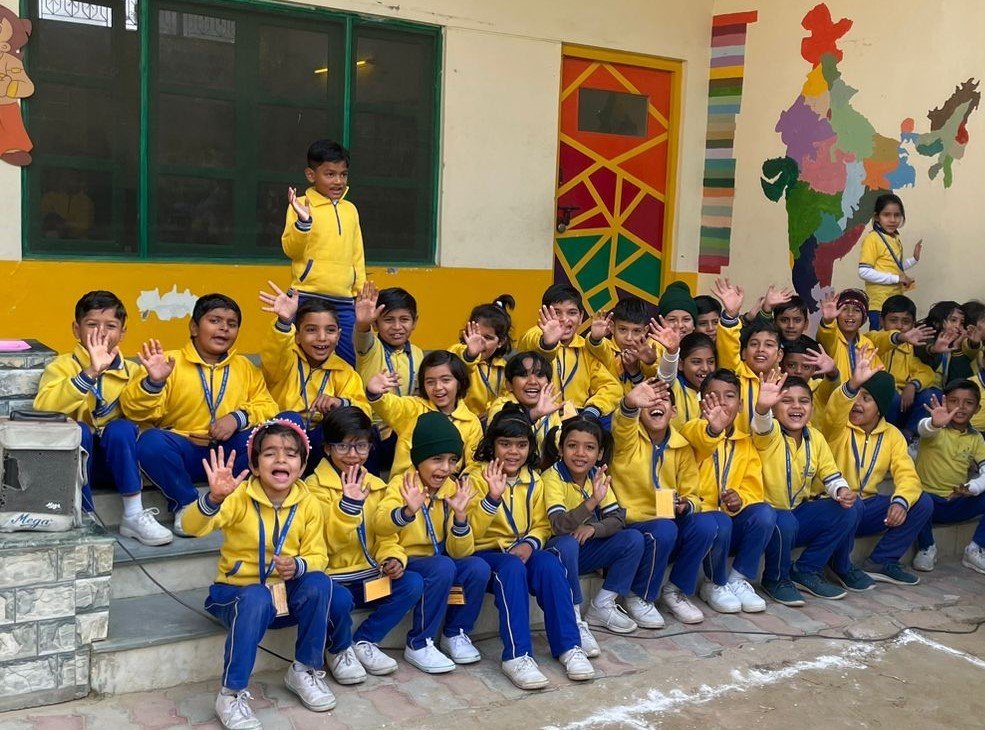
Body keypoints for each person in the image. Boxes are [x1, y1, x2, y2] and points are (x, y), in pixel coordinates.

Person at [184, 420, 339, 728]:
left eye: (291, 454)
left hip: (282, 594)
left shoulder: (309, 502)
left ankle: (304, 670)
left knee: (319, 582)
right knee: (255, 596)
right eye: (269, 453)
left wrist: (298, 565)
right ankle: (231, 693)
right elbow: (191, 527)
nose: (281, 459)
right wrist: (214, 499)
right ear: (254, 466)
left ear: (302, 466)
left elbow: (319, 555)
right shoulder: (238, 496)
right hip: (236, 594)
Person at [122, 294, 279, 534]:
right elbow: (134, 410)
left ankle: (236, 503)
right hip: (184, 452)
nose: (224, 328)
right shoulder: (168, 363)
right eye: (214, 321)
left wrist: (237, 418)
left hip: (227, 454)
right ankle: (187, 505)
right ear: (194, 327)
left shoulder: (245, 367)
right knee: (151, 442)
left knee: (266, 435)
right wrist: (154, 383)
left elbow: (268, 406)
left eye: (231, 324)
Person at [466, 406, 595, 687]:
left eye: (521, 445)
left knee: (549, 564)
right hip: (485, 556)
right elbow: (468, 534)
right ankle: (517, 655)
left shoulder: (534, 479)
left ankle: (569, 646)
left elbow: (542, 525)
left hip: (522, 550)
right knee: (512, 568)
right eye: (505, 444)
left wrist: (529, 544)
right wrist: (491, 499)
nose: (513, 452)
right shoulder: (475, 478)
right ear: (492, 445)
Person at [34, 291, 171, 545]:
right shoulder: (62, 366)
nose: (101, 332)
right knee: (78, 429)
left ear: (122, 332)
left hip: (118, 465)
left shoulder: (133, 370)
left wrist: (153, 383)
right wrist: (89, 374)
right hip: (73, 468)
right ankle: (85, 513)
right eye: (92, 324)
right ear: (76, 329)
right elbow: (44, 408)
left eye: (111, 326)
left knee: (121, 428)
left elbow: (148, 414)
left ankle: (133, 513)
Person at [305, 407, 424, 685]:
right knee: (340, 599)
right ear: (327, 448)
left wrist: (392, 558)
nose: (353, 454)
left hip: (368, 581)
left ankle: (365, 640)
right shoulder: (313, 488)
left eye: (360, 446)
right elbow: (324, 541)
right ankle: (338, 649)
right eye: (343, 446)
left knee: (412, 583)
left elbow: (385, 536)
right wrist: (348, 507)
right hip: (335, 581)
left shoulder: (376, 485)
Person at [373, 412, 491, 674]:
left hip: (441, 561)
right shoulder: (403, 484)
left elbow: (461, 552)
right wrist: (406, 512)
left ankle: (455, 633)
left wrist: (460, 518)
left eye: (452, 460)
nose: (445, 468)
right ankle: (419, 642)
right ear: (419, 459)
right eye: (437, 459)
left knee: (477, 567)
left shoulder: (453, 489)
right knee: (442, 566)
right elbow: (380, 526)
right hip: (410, 561)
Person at [609, 379, 719, 624]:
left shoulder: (682, 446)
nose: (656, 404)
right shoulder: (627, 440)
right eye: (649, 400)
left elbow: (693, 495)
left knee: (706, 525)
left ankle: (675, 590)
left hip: (667, 521)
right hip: (632, 525)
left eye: (663, 400)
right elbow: (622, 425)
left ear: (673, 411)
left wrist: (685, 505)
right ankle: (639, 595)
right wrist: (629, 404)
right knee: (664, 529)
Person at [820, 347, 932, 588]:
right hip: (836, 506)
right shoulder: (838, 426)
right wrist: (851, 386)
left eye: (866, 398)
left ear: (880, 407)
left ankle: (882, 561)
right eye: (855, 396)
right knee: (853, 505)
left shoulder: (893, 435)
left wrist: (901, 502)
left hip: (867, 508)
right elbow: (834, 410)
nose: (856, 403)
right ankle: (839, 564)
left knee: (922, 502)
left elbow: (907, 475)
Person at [750, 370, 859, 605]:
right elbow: (761, 424)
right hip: (767, 518)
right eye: (786, 400)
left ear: (812, 407)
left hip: (797, 513)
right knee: (783, 520)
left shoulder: (816, 437)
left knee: (851, 508)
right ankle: (775, 579)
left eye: (804, 401)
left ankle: (806, 570)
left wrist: (842, 491)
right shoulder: (770, 432)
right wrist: (762, 408)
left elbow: (830, 474)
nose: (796, 406)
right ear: (775, 407)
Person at [680, 369, 776, 614]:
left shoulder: (745, 443)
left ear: (741, 405)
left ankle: (737, 578)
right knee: (718, 521)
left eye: (730, 396)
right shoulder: (692, 430)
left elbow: (753, 489)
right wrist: (713, 429)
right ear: (702, 404)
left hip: (729, 523)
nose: (722, 402)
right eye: (714, 396)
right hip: (698, 522)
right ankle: (714, 583)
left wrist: (740, 499)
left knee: (765, 513)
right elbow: (702, 439)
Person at [542, 419, 649, 635]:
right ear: (561, 449)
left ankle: (602, 605)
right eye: (572, 446)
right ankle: (573, 617)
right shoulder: (552, 477)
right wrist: (592, 502)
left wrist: (594, 529)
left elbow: (618, 519)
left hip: (584, 549)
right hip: (556, 553)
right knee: (567, 543)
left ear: (599, 454)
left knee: (633, 539)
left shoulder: (596, 475)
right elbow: (559, 525)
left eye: (589, 447)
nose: (580, 453)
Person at [257, 282, 369, 469]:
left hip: (320, 442)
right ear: (297, 336)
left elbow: (363, 411)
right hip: (280, 439)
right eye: (311, 330)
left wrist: (339, 403)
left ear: (339, 336)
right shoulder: (284, 360)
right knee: (291, 419)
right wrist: (284, 322)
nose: (322, 337)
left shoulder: (345, 372)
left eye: (330, 330)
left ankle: (360, 482)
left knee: (346, 426)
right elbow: (274, 352)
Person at [281, 139, 365, 365]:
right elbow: (292, 250)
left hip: (345, 300)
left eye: (343, 174)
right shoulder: (300, 205)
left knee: (349, 358)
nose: (338, 181)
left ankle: (345, 391)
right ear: (311, 175)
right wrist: (303, 222)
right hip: (307, 295)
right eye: (330, 174)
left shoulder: (350, 210)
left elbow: (357, 255)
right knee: (303, 357)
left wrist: (359, 293)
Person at [365, 350, 483, 476]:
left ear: (459, 382)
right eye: (430, 382)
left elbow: (475, 464)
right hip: (405, 484)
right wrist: (374, 393)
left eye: (445, 380)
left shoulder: (471, 422)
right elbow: (388, 405)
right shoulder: (413, 408)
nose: (438, 387)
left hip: (445, 484)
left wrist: (465, 479)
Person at [517, 284, 622, 422]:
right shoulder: (534, 335)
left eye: (572, 313)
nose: (564, 319)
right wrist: (547, 343)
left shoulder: (585, 348)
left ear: (581, 317)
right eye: (557, 313)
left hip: (576, 420)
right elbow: (534, 345)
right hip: (537, 418)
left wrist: (591, 411)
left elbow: (612, 388)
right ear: (544, 314)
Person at [911, 384, 985, 575]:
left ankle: (975, 549)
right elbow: (924, 429)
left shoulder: (976, 438)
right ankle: (927, 547)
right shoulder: (935, 427)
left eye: (968, 403)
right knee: (916, 496)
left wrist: (972, 487)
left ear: (977, 408)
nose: (960, 407)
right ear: (944, 402)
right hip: (928, 503)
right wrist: (934, 423)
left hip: (956, 501)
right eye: (953, 401)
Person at [353, 283, 424, 476]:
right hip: (373, 430)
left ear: (414, 321)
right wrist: (363, 324)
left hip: (404, 430)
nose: (397, 327)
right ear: (376, 323)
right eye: (388, 320)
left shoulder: (418, 354)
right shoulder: (370, 348)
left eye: (404, 319)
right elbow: (362, 334)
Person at [868, 294, 937, 440]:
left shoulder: (911, 348)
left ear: (913, 325)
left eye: (906, 322)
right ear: (881, 321)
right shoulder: (873, 338)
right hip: (880, 400)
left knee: (931, 395)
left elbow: (926, 372)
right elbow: (879, 339)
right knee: (891, 396)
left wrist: (913, 385)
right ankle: (884, 435)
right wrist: (898, 337)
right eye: (893, 320)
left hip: (904, 401)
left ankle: (909, 434)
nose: (899, 326)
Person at [857, 193, 921, 330]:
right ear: (877, 217)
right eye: (886, 215)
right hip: (879, 304)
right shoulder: (873, 238)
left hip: (895, 302)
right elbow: (864, 271)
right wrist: (897, 278)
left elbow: (893, 267)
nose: (892, 220)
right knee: (880, 340)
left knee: (896, 339)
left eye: (897, 215)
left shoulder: (894, 237)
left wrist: (914, 260)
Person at [447, 295, 515, 417]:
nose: (479, 342)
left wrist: (493, 411)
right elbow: (460, 361)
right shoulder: (457, 351)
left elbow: (507, 397)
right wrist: (470, 355)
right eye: (476, 335)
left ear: (501, 341)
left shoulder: (504, 368)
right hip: (459, 420)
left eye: (488, 338)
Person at [486, 351, 564, 457]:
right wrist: (533, 415)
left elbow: (558, 439)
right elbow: (504, 429)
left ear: (549, 384)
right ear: (509, 385)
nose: (532, 381)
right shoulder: (501, 405)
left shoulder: (551, 409)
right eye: (523, 375)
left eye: (539, 375)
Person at [586, 296, 660, 390]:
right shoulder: (607, 349)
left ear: (645, 331)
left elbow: (656, 384)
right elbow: (597, 347)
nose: (629, 338)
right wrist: (595, 338)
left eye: (636, 331)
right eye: (623, 329)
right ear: (612, 327)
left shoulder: (648, 352)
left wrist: (650, 362)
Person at [817, 288, 884, 385]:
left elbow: (880, 374)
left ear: (864, 318)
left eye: (857, 310)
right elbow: (826, 333)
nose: (850, 314)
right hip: (834, 393)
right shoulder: (831, 338)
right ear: (837, 315)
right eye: (844, 309)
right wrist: (828, 321)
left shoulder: (867, 344)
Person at [778, 335, 839, 427]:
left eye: (806, 367)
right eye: (791, 365)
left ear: (814, 369)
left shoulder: (819, 387)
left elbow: (833, 386)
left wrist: (833, 372)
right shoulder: (774, 387)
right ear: (782, 365)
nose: (798, 371)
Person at [669, 332, 716, 429]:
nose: (705, 368)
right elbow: (665, 375)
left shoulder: (716, 390)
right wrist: (671, 354)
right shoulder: (673, 386)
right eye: (696, 362)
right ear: (680, 364)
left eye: (711, 362)